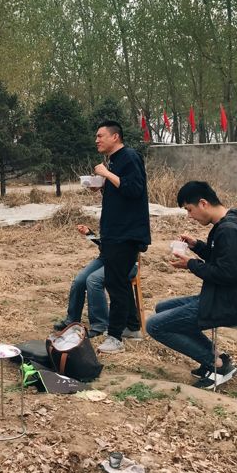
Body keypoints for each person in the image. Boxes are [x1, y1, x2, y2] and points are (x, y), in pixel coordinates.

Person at [147, 181, 237, 388]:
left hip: (235, 304)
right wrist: (197, 246)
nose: (190, 216)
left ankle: (218, 366)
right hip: (231, 296)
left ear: (203, 203)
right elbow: (224, 260)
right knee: (162, 308)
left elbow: (226, 274)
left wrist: (191, 264)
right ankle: (215, 357)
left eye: (189, 209)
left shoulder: (228, 230)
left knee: (154, 325)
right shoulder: (230, 224)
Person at [91, 120, 151, 354]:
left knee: (115, 284)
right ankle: (132, 327)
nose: (97, 140)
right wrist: (102, 186)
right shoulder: (115, 160)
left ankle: (115, 337)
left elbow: (134, 189)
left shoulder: (129, 157)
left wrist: (106, 173)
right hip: (115, 232)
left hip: (126, 233)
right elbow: (122, 192)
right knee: (119, 281)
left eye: (100, 136)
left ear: (115, 137)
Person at [53, 224, 142, 339]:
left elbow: (138, 246)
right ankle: (72, 321)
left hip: (125, 262)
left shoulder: (130, 221)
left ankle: (100, 326)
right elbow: (103, 243)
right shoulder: (109, 220)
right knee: (79, 281)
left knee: (94, 280)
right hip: (106, 258)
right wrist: (89, 234)